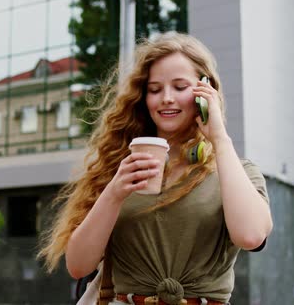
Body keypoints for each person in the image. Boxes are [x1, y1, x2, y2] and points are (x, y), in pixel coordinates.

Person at [38, 32, 273, 305]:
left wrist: (219, 138)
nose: (166, 98)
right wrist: (114, 193)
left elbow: (251, 236)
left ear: (205, 92)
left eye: (180, 86)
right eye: (155, 89)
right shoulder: (119, 168)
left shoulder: (237, 171)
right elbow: (78, 266)